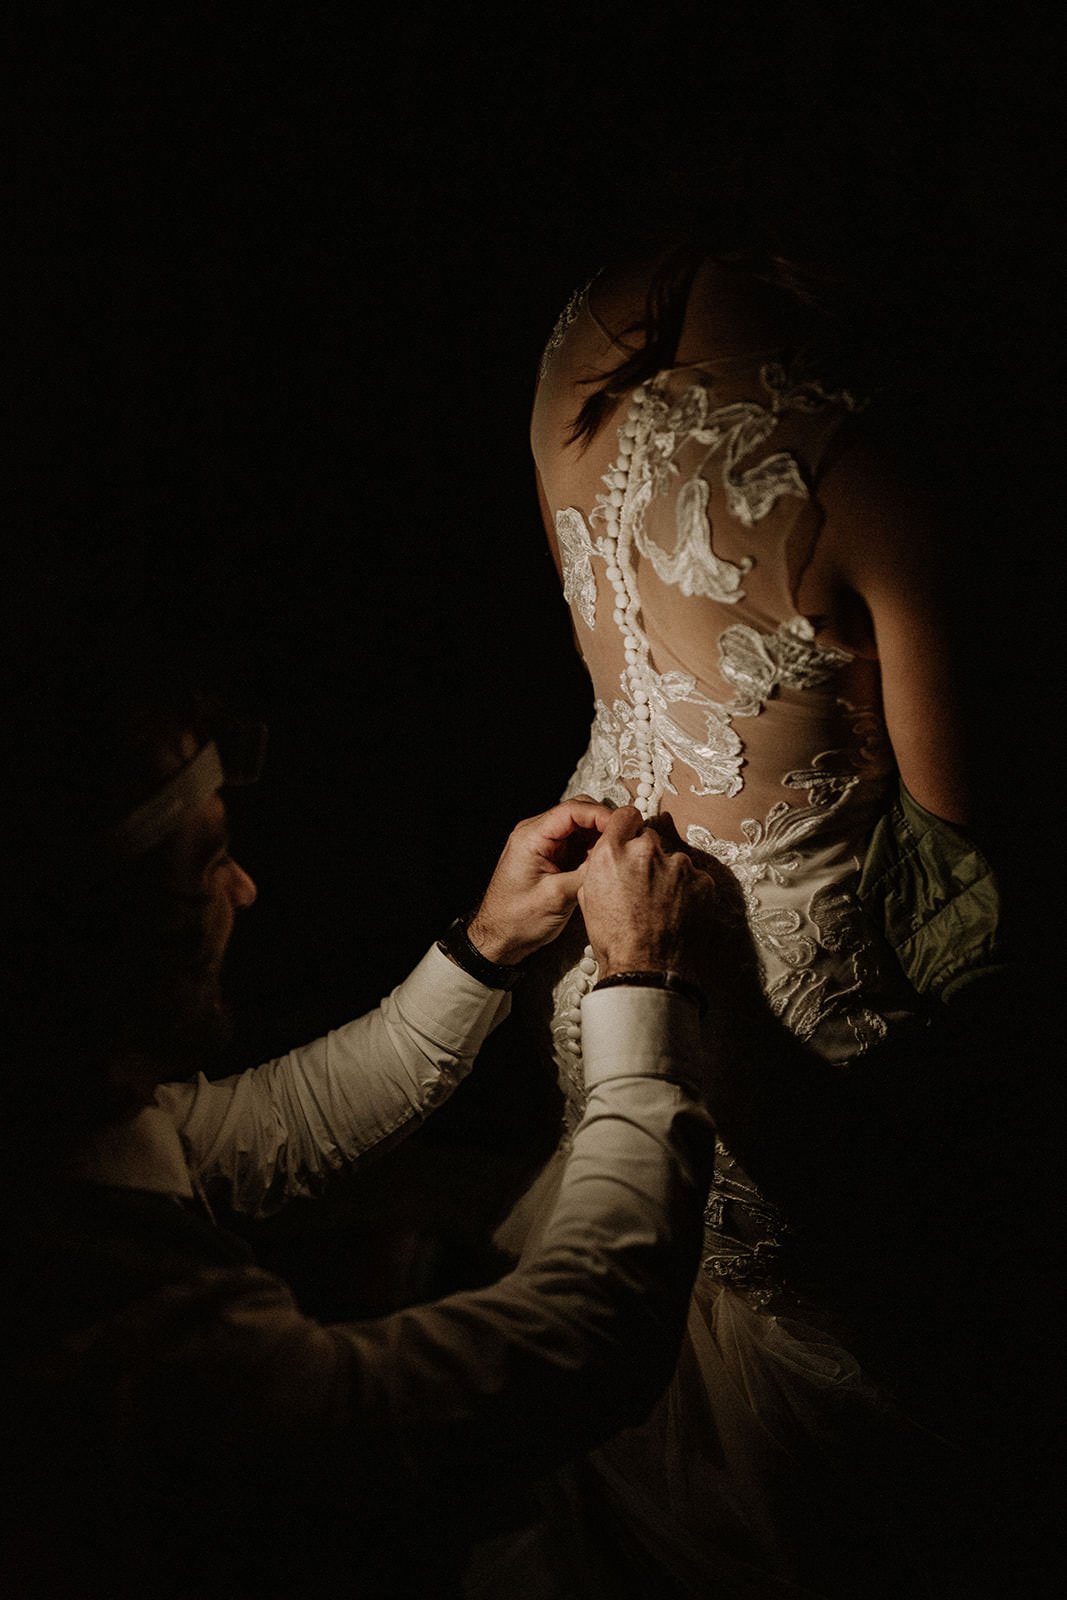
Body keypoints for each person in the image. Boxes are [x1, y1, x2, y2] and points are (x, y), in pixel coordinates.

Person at [465, 199, 1025, 1594]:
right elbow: (963, 842)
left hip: (599, 935)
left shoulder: (584, 332)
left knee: (661, 1386)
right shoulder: (865, 473)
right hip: (794, 1029)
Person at [0, 670, 749, 1600]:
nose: (245, 888)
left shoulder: (61, 1110)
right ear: (98, 944)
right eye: (206, 867)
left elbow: (276, 1129)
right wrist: (644, 984)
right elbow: (581, 1343)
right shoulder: (129, 1340)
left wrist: (486, 946)